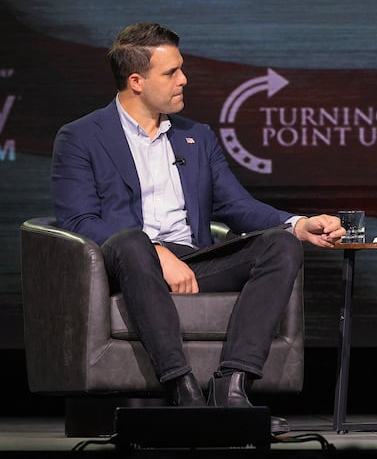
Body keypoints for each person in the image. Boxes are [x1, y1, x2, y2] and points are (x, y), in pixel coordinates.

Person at [51, 22, 344, 434]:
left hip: (195, 261)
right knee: (135, 243)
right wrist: (157, 252)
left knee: (279, 247)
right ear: (136, 81)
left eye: (181, 69)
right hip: (128, 260)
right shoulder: (81, 137)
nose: (184, 80)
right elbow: (79, 221)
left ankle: (233, 386)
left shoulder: (197, 137)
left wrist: (298, 225)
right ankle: (182, 387)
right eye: (171, 72)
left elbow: (236, 206)